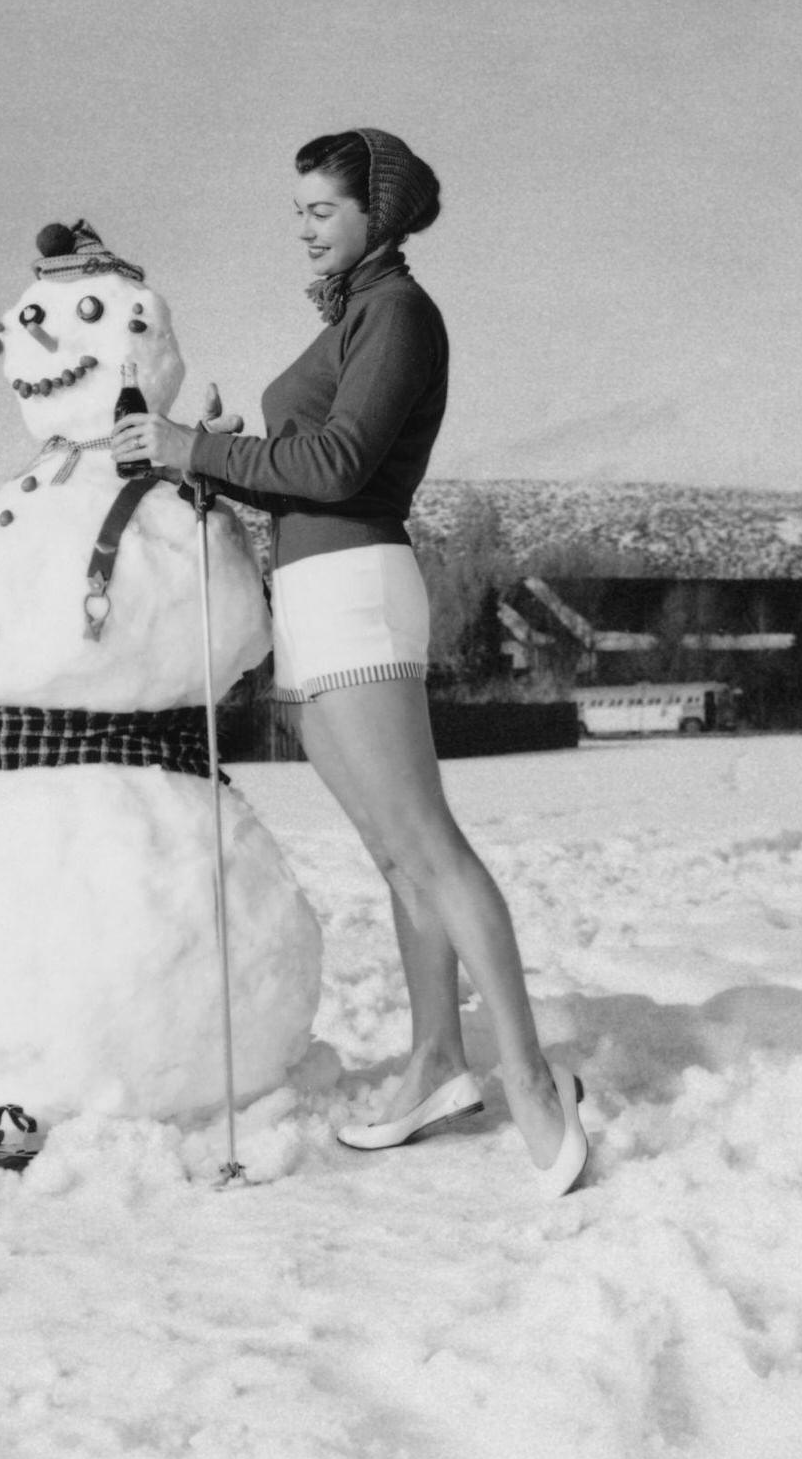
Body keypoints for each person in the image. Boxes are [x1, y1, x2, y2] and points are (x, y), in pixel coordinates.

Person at [113, 127, 589, 1196]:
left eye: (322, 210)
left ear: (378, 212)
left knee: (428, 848)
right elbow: (297, 467)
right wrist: (219, 456)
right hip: (314, 599)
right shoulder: (360, 315)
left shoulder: (400, 314)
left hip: (361, 595)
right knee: (392, 857)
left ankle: (527, 1079)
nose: (304, 229)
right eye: (297, 213)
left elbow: (335, 464)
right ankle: (434, 1063)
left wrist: (197, 449)